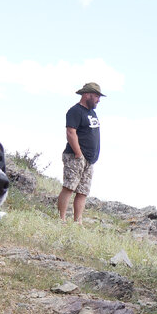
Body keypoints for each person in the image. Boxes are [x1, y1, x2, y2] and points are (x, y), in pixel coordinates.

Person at [58, 82, 104, 223]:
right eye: (96, 96)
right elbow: (71, 132)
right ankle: (61, 220)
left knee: (83, 191)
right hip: (75, 156)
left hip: (89, 160)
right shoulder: (75, 111)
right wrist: (78, 154)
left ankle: (78, 222)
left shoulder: (92, 113)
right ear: (87, 95)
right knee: (69, 187)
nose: (98, 100)